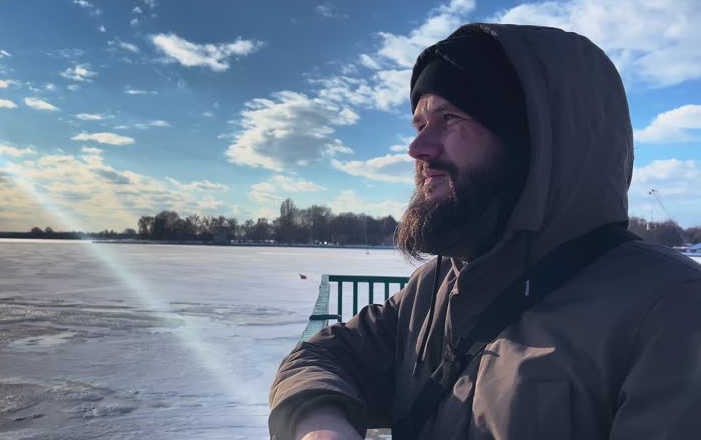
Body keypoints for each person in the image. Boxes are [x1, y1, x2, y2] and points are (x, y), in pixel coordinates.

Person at [268, 23, 701, 440]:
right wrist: (321, 423)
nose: (417, 148)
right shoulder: (437, 284)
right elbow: (324, 355)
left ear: (531, 140)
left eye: (449, 117)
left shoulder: (673, 309)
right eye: (420, 125)